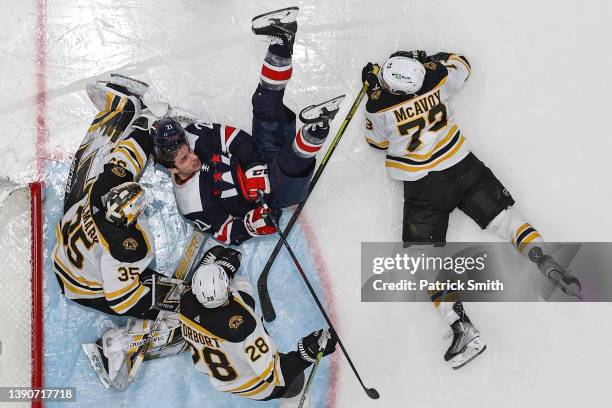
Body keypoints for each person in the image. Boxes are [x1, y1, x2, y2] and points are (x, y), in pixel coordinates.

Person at [361, 50, 582, 369]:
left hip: (424, 188)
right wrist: (434, 59)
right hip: (464, 167)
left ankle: (462, 328)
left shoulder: (378, 106)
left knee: (424, 260)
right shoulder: (436, 78)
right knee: (506, 221)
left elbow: (376, 143)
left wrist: (374, 90)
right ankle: (543, 255)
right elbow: (463, 65)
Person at [152, 6, 343, 246]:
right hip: (276, 194)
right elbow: (226, 232)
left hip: (261, 156)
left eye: (188, 151)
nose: (193, 157)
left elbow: (232, 137)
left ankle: (283, 39)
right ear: (172, 169)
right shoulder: (190, 204)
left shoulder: (192, 136)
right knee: (287, 164)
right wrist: (254, 222)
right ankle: (318, 128)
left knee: (262, 103)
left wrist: (253, 165)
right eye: (184, 160)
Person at [53, 73, 165, 319]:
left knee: (91, 177)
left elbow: (124, 161)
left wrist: (147, 125)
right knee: (154, 305)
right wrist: (163, 309)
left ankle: (120, 111)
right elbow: (122, 302)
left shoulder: (105, 190)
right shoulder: (125, 250)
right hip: (82, 287)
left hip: (67, 249)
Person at [180, 245, 337, 407]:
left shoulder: (185, 303)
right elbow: (274, 374)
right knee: (296, 382)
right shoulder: (245, 328)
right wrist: (306, 354)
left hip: (221, 376)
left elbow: (228, 301)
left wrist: (224, 270)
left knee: (243, 286)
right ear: (227, 287)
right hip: (255, 385)